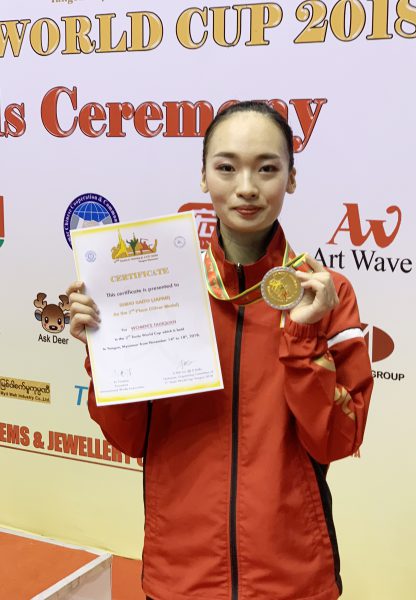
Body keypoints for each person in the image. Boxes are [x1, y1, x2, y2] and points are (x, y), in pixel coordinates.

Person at [67, 101, 373, 600]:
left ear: (292, 178)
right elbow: (129, 438)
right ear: (204, 177)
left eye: (267, 168)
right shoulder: (160, 289)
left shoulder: (325, 294)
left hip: (293, 578)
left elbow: (337, 441)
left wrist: (302, 339)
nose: (247, 187)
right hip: (181, 575)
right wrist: (107, 354)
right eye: (227, 167)